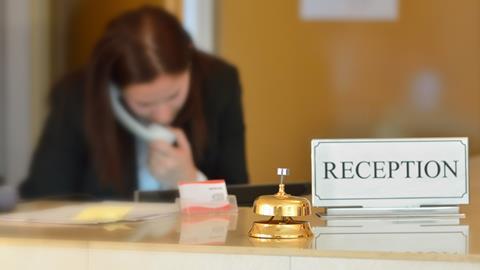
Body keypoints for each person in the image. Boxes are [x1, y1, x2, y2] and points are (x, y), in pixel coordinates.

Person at [20, 6, 248, 199]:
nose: (163, 116)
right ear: (115, 89)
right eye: (145, 104)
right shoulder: (74, 97)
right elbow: (43, 197)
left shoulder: (220, 84)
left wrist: (190, 180)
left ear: (189, 63)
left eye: (173, 96)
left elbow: (241, 202)